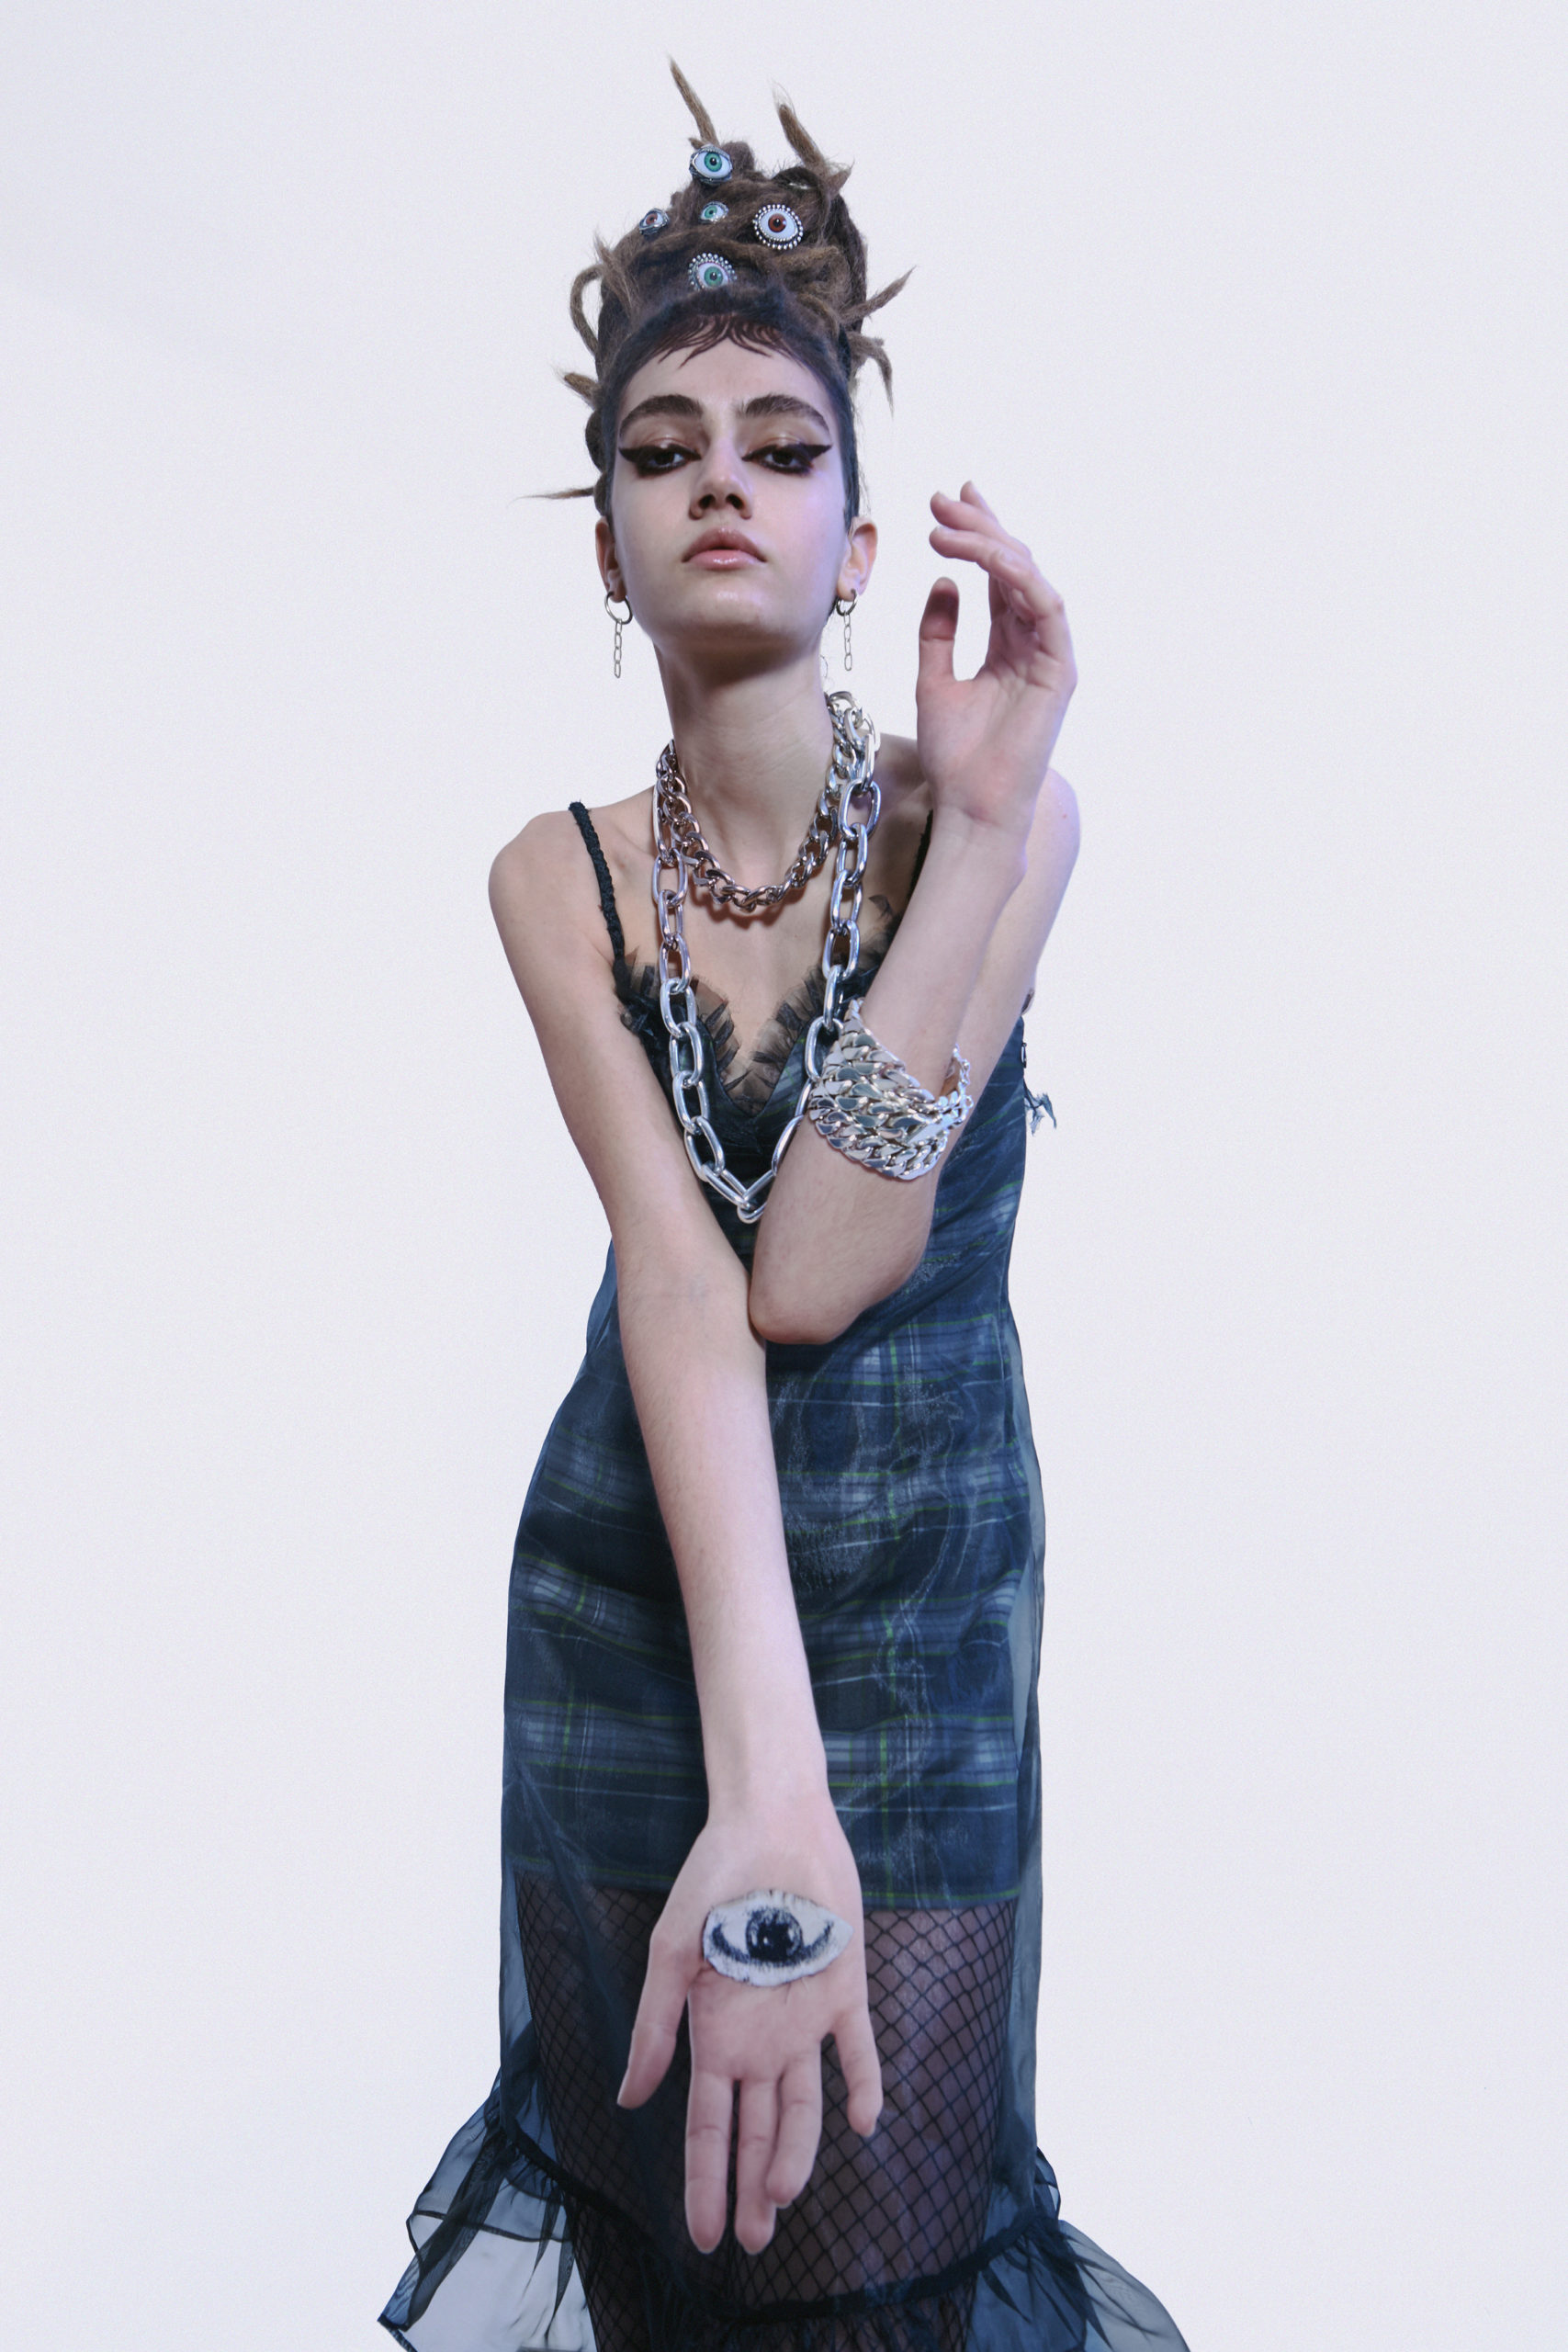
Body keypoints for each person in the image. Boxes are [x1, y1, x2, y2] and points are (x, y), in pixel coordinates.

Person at [381, 64, 1188, 2352]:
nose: (715, 479)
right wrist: (753, 1789)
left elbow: (824, 1264)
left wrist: (982, 828)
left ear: (854, 544)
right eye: (660, 451)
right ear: (605, 543)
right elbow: (687, 1283)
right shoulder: (555, 878)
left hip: (915, 1622)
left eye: (774, 444)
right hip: (643, 1608)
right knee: (675, 2292)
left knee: (874, 2294)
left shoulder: (997, 817)